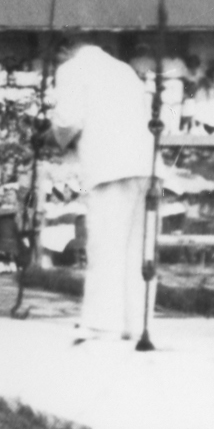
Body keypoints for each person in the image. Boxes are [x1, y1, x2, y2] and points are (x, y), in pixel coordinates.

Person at [50, 38, 157, 342]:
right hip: (146, 164)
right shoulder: (124, 70)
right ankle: (135, 323)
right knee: (138, 249)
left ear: (64, 50)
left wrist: (52, 135)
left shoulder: (71, 69)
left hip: (109, 166)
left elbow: (68, 120)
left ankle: (100, 323)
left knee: (106, 245)